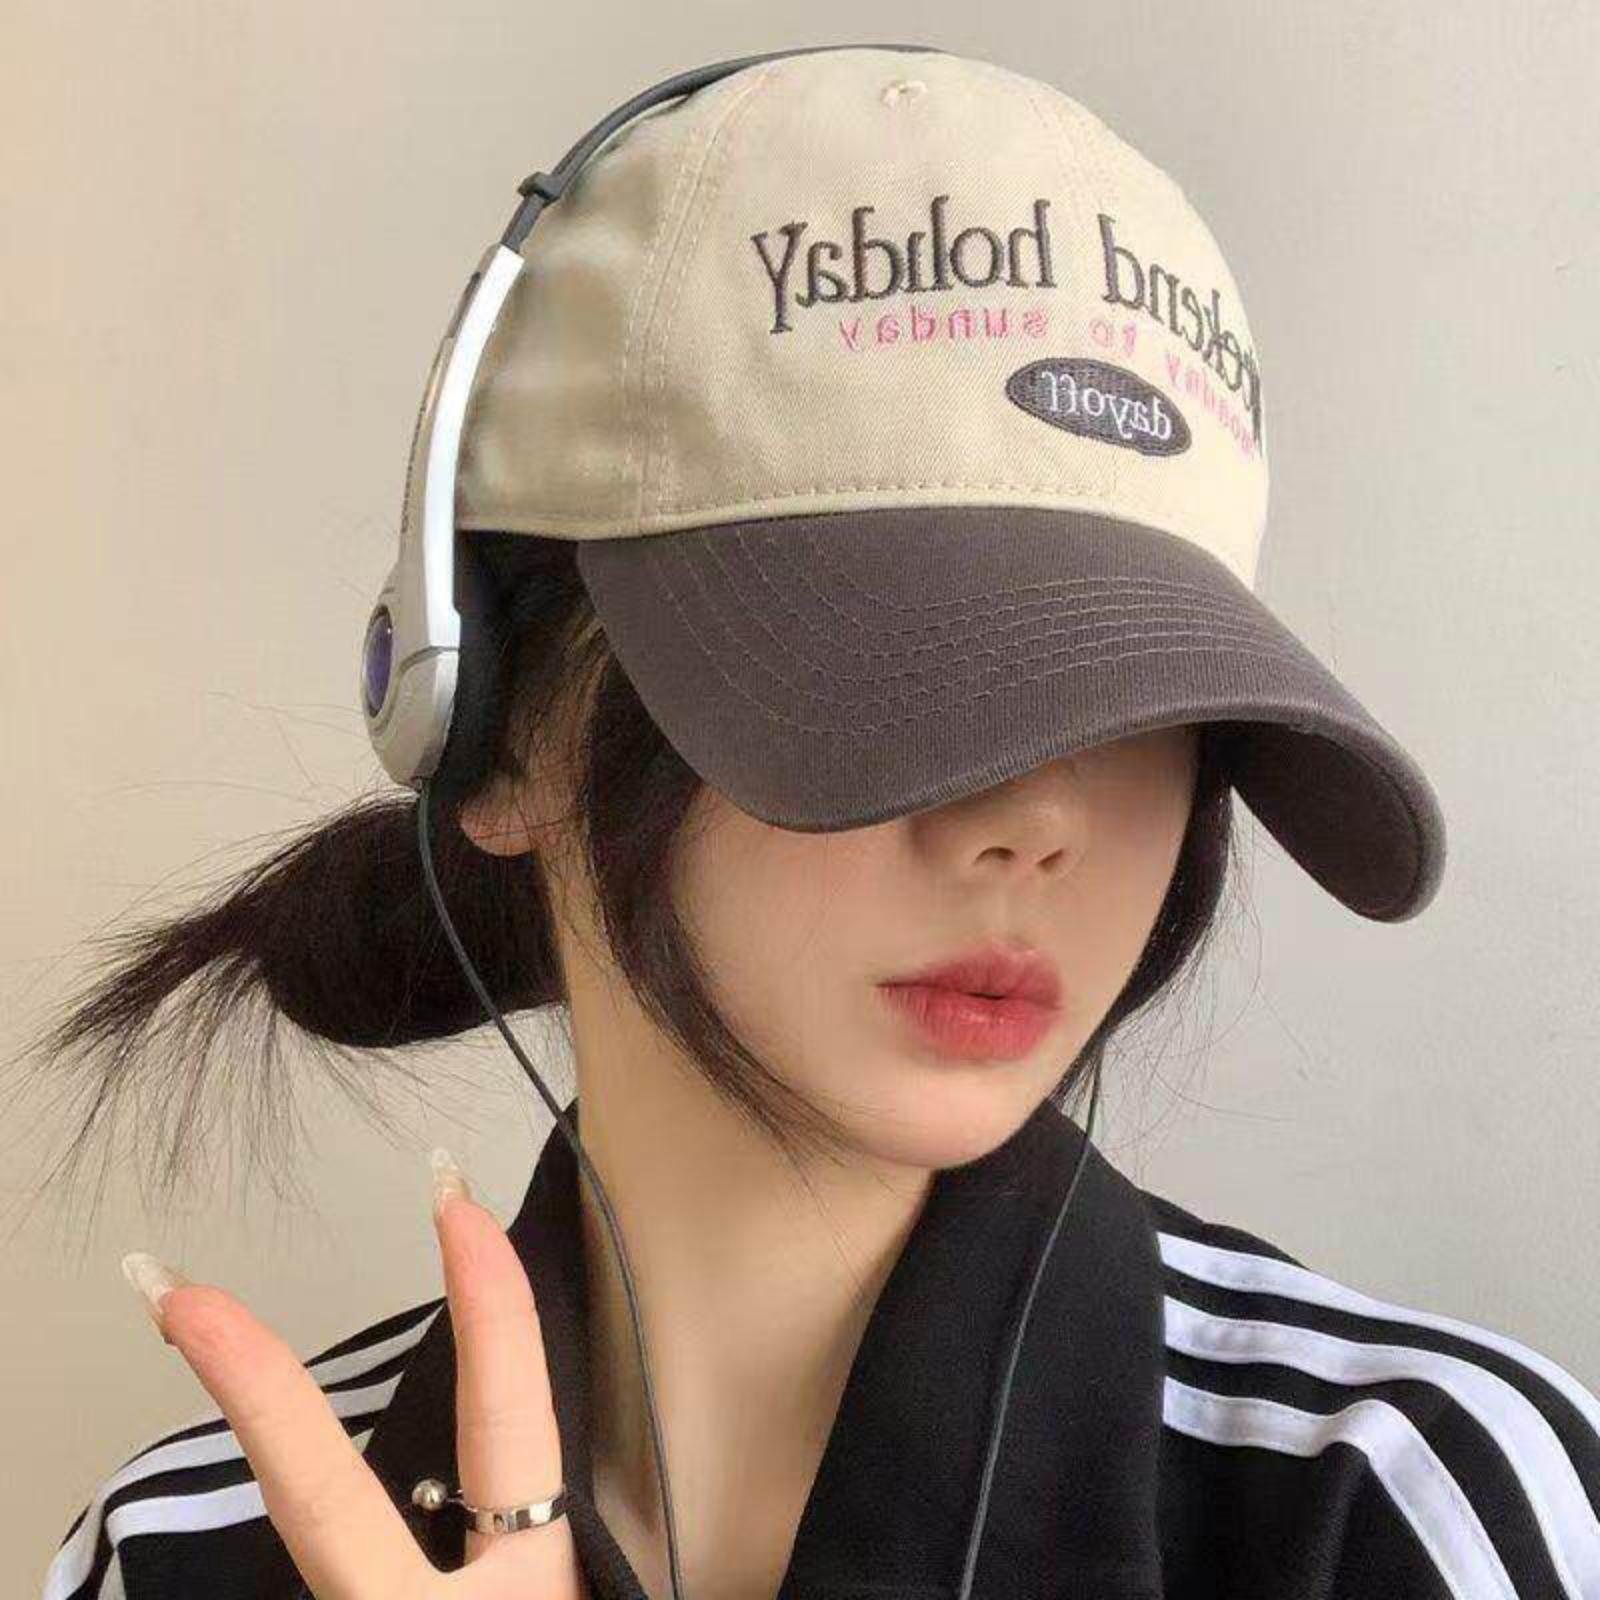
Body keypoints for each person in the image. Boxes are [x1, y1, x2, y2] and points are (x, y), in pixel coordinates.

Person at [31, 42, 1600, 1600]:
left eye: (1134, 692)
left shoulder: (1425, 1515)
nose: (1038, 822)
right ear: (488, 729)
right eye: (883, 666)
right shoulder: (175, 1559)